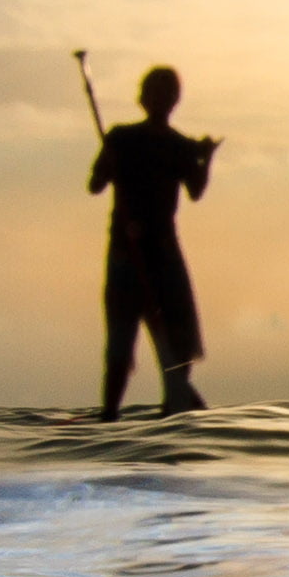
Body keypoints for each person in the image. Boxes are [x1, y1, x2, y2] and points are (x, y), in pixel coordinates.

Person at [90, 63, 216, 415]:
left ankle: (174, 406)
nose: (161, 101)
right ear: (143, 98)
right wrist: (109, 164)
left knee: (177, 340)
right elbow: (95, 185)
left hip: (162, 254)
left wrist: (205, 159)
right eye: (155, 93)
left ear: (174, 101)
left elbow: (195, 190)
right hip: (126, 253)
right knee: (120, 344)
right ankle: (109, 414)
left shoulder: (179, 146)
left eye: (166, 94)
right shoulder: (120, 138)